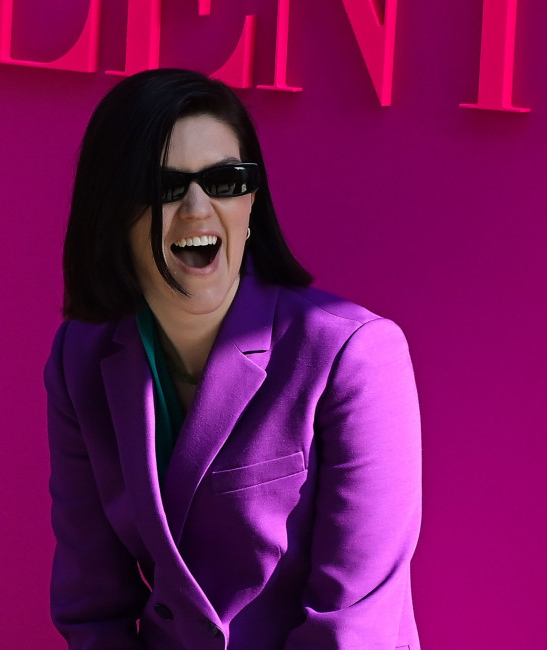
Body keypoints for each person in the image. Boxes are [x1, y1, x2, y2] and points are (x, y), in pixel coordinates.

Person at [44, 68, 422, 650]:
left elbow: (354, 629)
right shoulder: (81, 356)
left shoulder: (356, 355)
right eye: (164, 186)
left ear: (252, 202)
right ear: (112, 210)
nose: (198, 207)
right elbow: (92, 606)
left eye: (225, 180)